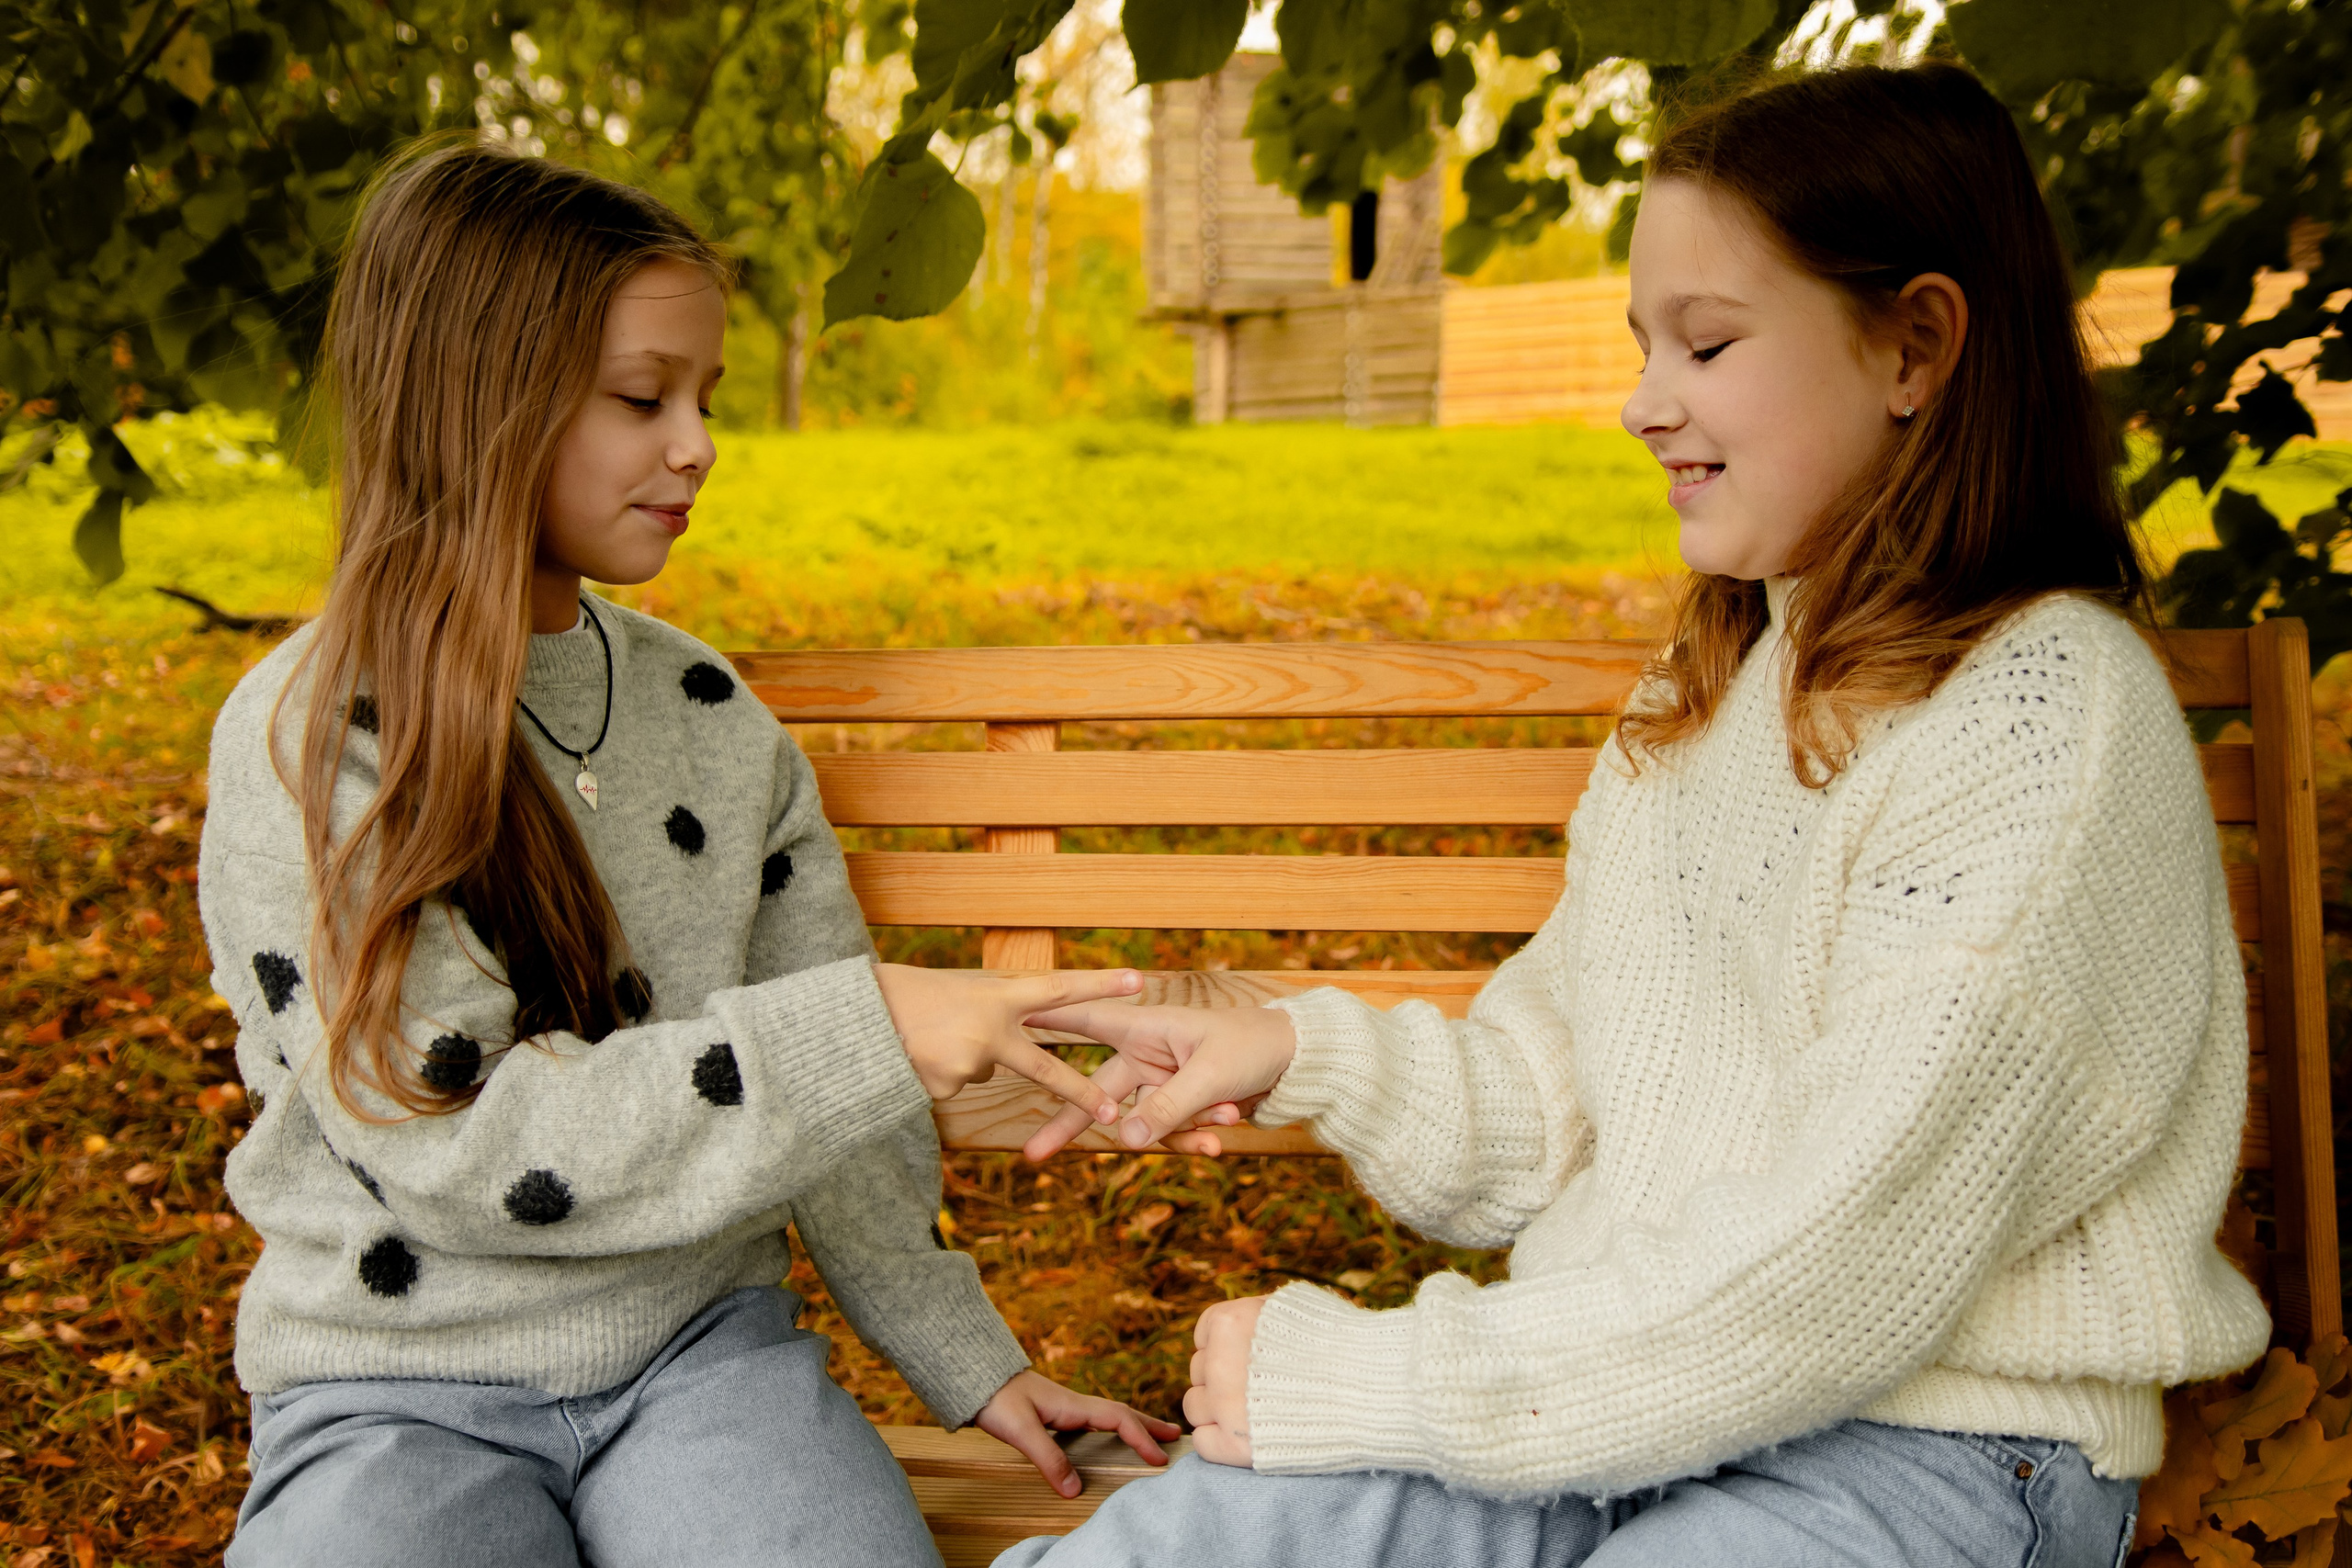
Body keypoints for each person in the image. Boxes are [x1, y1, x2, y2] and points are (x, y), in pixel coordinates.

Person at [1004, 62, 2271, 1568]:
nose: (1641, 402)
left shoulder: (2044, 722)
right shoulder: (1710, 686)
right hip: (1611, 1406)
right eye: (1639, 345)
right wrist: (1301, 1052)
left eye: (1708, 343)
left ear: (1915, 346)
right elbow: (1562, 1110)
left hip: (1927, 1456)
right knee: (1176, 1547)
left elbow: (1833, 1272)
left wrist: (1377, 1381)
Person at [198, 141, 1175, 1568]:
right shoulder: (315, 736)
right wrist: (867, 1024)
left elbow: (839, 1107)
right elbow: (455, 1143)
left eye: (703, 398)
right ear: (479, 402)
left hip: (702, 1357)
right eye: (641, 397)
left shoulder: (712, 718)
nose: (698, 444)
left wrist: (969, 1360)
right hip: (393, 1385)